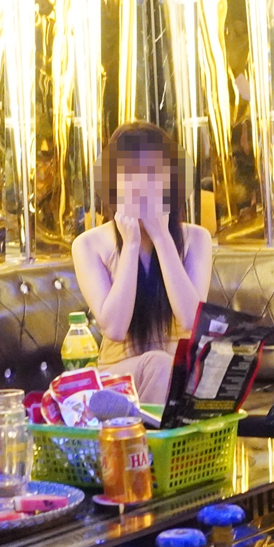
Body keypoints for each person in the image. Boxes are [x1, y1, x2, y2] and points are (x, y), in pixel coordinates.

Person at [72, 122, 214, 402]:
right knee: (158, 365)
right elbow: (115, 328)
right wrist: (131, 245)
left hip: (180, 374)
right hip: (119, 378)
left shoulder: (196, 239)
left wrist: (162, 238)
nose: (142, 186)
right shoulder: (88, 244)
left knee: (195, 369)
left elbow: (190, 319)